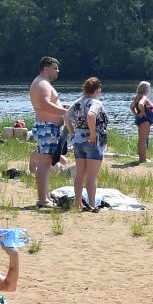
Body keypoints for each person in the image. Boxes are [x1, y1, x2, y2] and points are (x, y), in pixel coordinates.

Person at [29, 57, 67, 209]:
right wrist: (66, 112)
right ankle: (43, 199)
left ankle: (45, 196)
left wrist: (63, 107)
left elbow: (50, 104)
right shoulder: (42, 83)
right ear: (46, 68)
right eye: (55, 68)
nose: (57, 71)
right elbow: (45, 104)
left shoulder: (43, 83)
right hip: (46, 127)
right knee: (44, 164)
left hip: (49, 127)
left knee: (47, 162)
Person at [67, 77, 109, 211]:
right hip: (93, 141)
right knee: (91, 176)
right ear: (97, 89)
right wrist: (92, 133)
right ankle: (92, 204)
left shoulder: (78, 102)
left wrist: (73, 132)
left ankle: (77, 203)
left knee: (80, 174)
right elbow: (91, 115)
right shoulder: (96, 103)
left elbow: (66, 117)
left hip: (78, 141)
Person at [129, 81, 153, 164]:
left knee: (141, 139)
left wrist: (136, 114)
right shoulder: (143, 97)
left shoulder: (137, 96)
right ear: (146, 89)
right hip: (145, 119)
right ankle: (143, 159)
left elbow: (131, 107)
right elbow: (141, 104)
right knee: (143, 140)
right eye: (148, 88)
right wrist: (143, 111)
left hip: (140, 119)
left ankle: (141, 158)